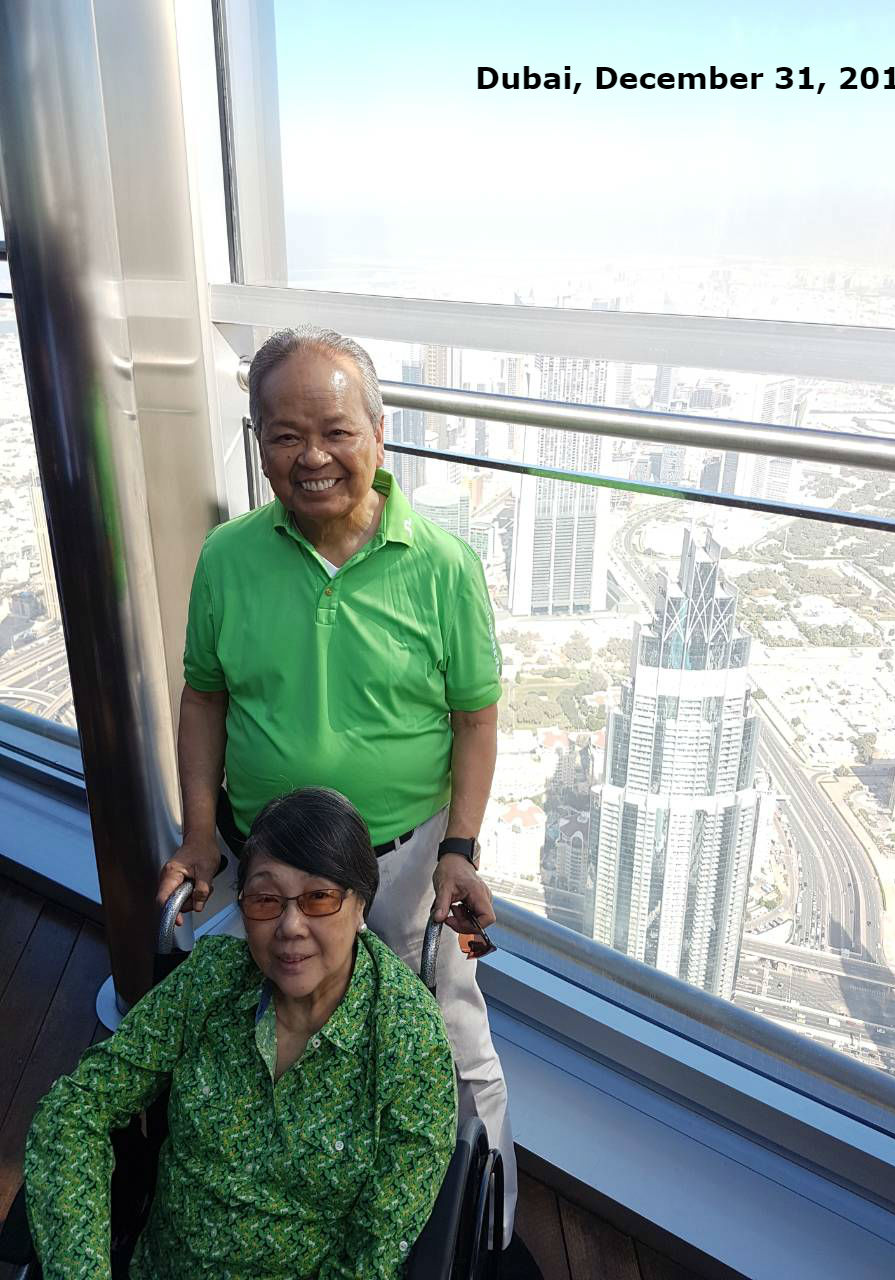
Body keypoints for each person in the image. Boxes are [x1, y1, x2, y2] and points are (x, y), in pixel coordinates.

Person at [155, 325, 530, 1263]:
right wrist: (199, 834)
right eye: (284, 435)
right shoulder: (229, 557)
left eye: (334, 431)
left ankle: (478, 1238)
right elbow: (204, 699)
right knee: (274, 1036)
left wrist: (460, 850)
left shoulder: (442, 565)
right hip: (267, 861)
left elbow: (474, 718)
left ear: (378, 433)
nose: (311, 456)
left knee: (449, 1042)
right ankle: (300, 1219)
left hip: (401, 863)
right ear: (257, 443)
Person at [25, 787, 457, 1280]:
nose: (290, 926)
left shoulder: (407, 1037)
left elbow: (372, 1257)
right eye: (266, 900)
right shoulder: (211, 981)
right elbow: (76, 1108)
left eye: (318, 898)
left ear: (361, 905)